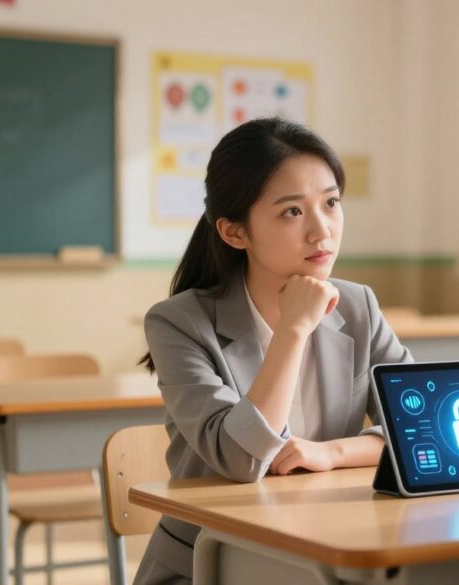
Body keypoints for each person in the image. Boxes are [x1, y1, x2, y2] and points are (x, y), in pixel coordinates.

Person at [134, 118, 411, 584]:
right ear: (234, 232)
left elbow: (421, 430)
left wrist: (333, 454)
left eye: (331, 203)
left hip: (323, 549)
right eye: (292, 212)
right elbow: (243, 460)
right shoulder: (177, 323)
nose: (321, 232)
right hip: (212, 561)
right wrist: (294, 329)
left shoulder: (358, 305)